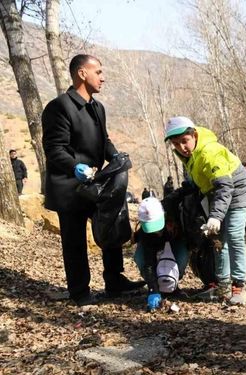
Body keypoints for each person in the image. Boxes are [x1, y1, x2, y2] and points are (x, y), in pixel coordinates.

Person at [41, 54, 145, 306]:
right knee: (74, 240)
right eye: (98, 71)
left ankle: (114, 281)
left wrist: (115, 156)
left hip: (96, 182)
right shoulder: (60, 106)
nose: (103, 77)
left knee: (111, 226)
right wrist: (75, 167)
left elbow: (104, 140)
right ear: (81, 73)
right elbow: (54, 149)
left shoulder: (97, 107)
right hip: (69, 185)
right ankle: (79, 292)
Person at [164, 116, 246, 305]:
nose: (182, 147)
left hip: (236, 192)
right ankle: (222, 286)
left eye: (185, 141)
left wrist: (216, 217)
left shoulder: (209, 152)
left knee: (235, 235)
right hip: (216, 194)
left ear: (194, 135)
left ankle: (239, 286)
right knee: (219, 241)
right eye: (176, 144)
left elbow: (225, 187)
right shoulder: (189, 157)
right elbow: (194, 184)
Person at [133, 197, 189, 311]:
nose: (156, 232)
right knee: (140, 258)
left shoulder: (175, 212)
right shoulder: (145, 234)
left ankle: (172, 285)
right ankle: (158, 286)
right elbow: (149, 262)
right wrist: (153, 289)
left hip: (176, 241)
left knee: (181, 258)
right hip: (152, 245)